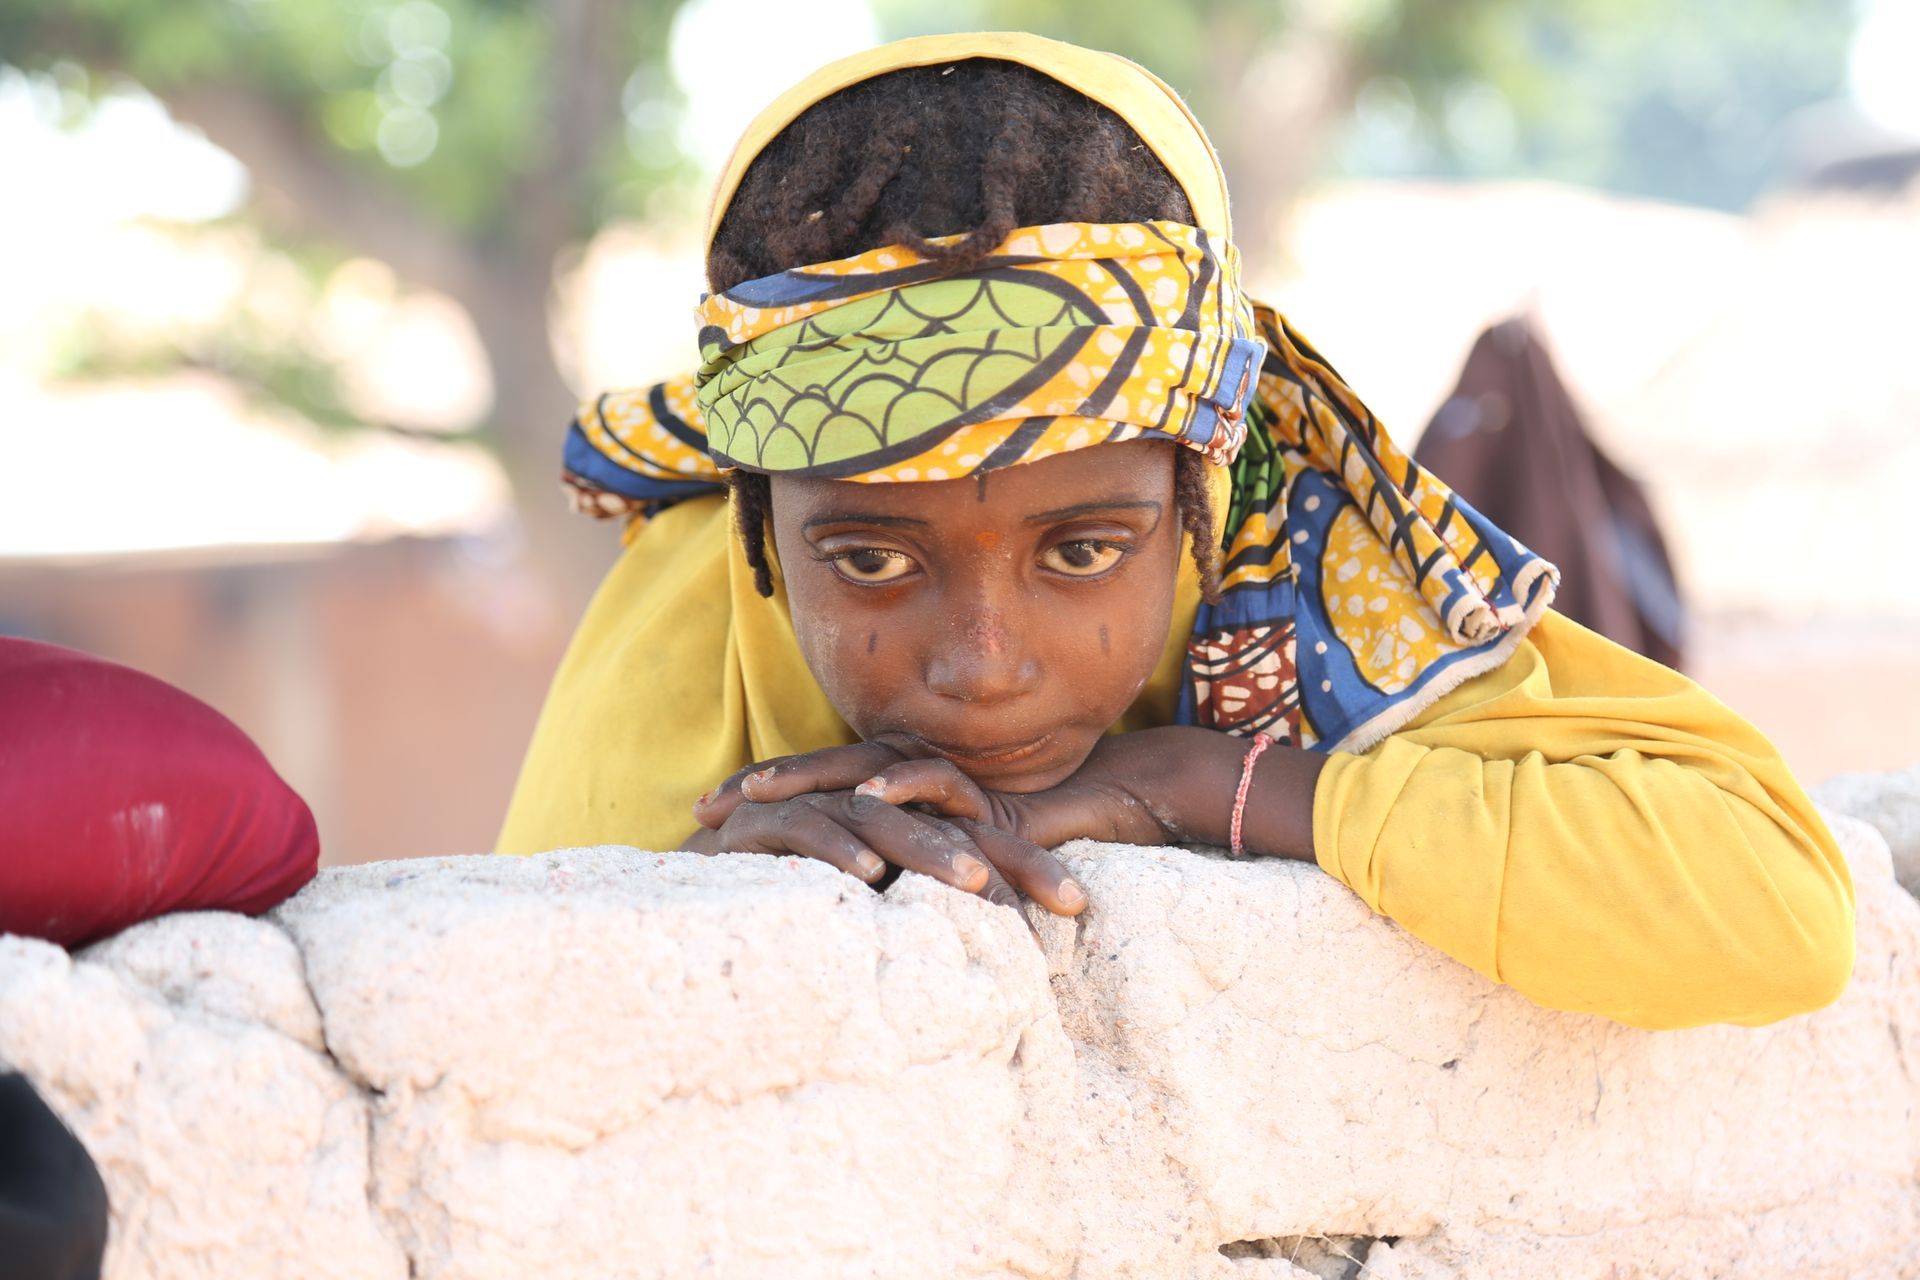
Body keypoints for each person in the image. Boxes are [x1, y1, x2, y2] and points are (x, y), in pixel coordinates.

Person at [498, 32, 1853, 1031]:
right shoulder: (694, 592)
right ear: (757, 520)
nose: (983, 662)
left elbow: (1774, 915)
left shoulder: (1318, 570)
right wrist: (682, 893)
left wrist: (1202, 782)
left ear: (1207, 488)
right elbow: (506, 1016)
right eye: (868, 560)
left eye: (1084, 550)